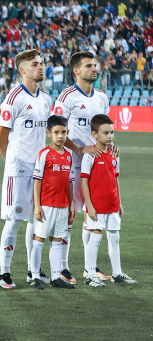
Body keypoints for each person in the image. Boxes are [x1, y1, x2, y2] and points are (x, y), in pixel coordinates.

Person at [0, 49, 54, 290]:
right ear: (22, 70)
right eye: (34, 64)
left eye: (41, 63)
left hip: (39, 169)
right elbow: (1, 136)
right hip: (18, 169)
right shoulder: (14, 97)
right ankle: (5, 273)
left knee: (35, 218)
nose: (40, 67)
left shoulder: (46, 99)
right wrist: (12, 162)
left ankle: (33, 270)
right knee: (14, 220)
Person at [54, 52, 113, 283]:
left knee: (92, 214)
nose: (94, 68)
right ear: (76, 71)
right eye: (89, 65)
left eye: (95, 65)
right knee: (68, 216)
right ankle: (63, 268)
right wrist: (78, 150)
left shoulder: (101, 97)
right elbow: (55, 130)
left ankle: (90, 268)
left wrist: (110, 151)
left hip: (94, 167)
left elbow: (105, 130)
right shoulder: (67, 97)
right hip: (69, 164)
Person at [81, 115, 136, 286]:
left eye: (112, 132)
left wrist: (119, 203)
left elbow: (115, 178)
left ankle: (117, 273)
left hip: (112, 205)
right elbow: (84, 182)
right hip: (96, 206)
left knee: (114, 237)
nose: (110, 136)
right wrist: (89, 206)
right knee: (95, 238)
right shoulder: (90, 156)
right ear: (95, 134)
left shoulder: (114, 154)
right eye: (106, 133)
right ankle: (90, 275)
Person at [29, 115, 76, 291]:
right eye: (56, 132)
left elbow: (70, 181)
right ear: (49, 133)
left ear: (67, 133)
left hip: (63, 206)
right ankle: (34, 276)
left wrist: (71, 203)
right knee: (39, 240)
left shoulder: (69, 155)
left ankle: (56, 276)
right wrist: (37, 206)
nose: (60, 136)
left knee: (57, 241)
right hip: (46, 205)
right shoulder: (44, 154)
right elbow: (37, 181)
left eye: (63, 132)